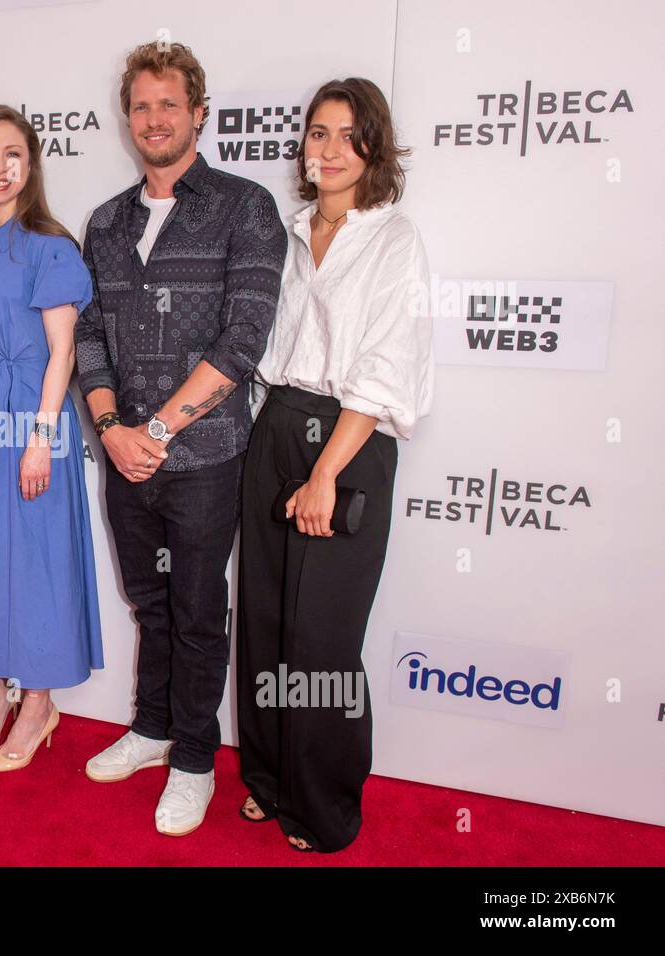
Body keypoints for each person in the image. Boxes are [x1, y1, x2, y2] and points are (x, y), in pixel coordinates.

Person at [75, 41, 287, 835]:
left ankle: (195, 759)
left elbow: (243, 341)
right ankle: (153, 729)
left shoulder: (244, 206)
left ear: (199, 113)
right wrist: (110, 429)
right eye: (142, 106)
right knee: (151, 603)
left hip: (201, 458)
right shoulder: (107, 220)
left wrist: (155, 431)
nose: (154, 119)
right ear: (126, 117)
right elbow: (90, 335)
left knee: (198, 611)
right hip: (123, 453)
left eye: (170, 104)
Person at [236, 78, 433, 852]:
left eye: (348, 136)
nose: (329, 150)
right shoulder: (284, 233)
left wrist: (324, 475)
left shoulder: (394, 238)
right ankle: (268, 780)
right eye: (318, 133)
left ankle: (323, 808)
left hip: (348, 441)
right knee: (264, 622)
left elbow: (386, 366)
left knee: (321, 640)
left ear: (373, 148)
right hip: (277, 423)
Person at [0, 105, 104, 772]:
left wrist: (40, 439)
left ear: (30, 166)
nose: (0, 167)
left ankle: (39, 705)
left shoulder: (50, 247)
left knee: (32, 564)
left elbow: (62, 353)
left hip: (31, 422)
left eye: (13, 154)